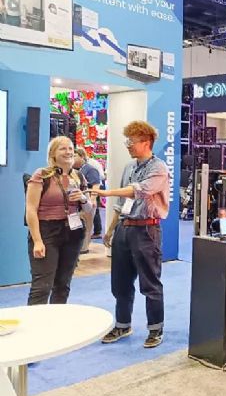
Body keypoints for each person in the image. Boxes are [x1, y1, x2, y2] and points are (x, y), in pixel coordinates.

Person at [91, 121, 169, 349]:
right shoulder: (129, 167)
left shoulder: (159, 168)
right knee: (120, 282)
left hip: (147, 230)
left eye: (131, 141)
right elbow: (123, 202)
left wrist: (106, 192)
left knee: (150, 283)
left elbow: (139, 191)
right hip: (125, 228)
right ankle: (122, 325)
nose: (128, 145)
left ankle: (155, 329)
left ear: (146, 142)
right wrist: (111, 229)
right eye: (127, 141)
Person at [25, 136, 92, 305]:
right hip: (47, 232)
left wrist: (83, 199)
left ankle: (57, 319)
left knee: (63, 285)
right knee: (42, 287)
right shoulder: (42, 175)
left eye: (71, 148)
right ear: (53, 154)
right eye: (63, 148)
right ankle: (34, 321)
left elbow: (89, 209)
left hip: (73, 233)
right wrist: (37, 241)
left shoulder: (79, 177)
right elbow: (31, 210)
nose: (68, 152)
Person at [73, 148, 100, 254]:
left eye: (75, 155)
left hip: (87, 200)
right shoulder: (75, 170)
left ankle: (84, 248)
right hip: (79, 202)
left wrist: (92, 200)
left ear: (82, 156)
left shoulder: (90, 169)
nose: (73, 158)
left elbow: (96, 185)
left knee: (87, 225)